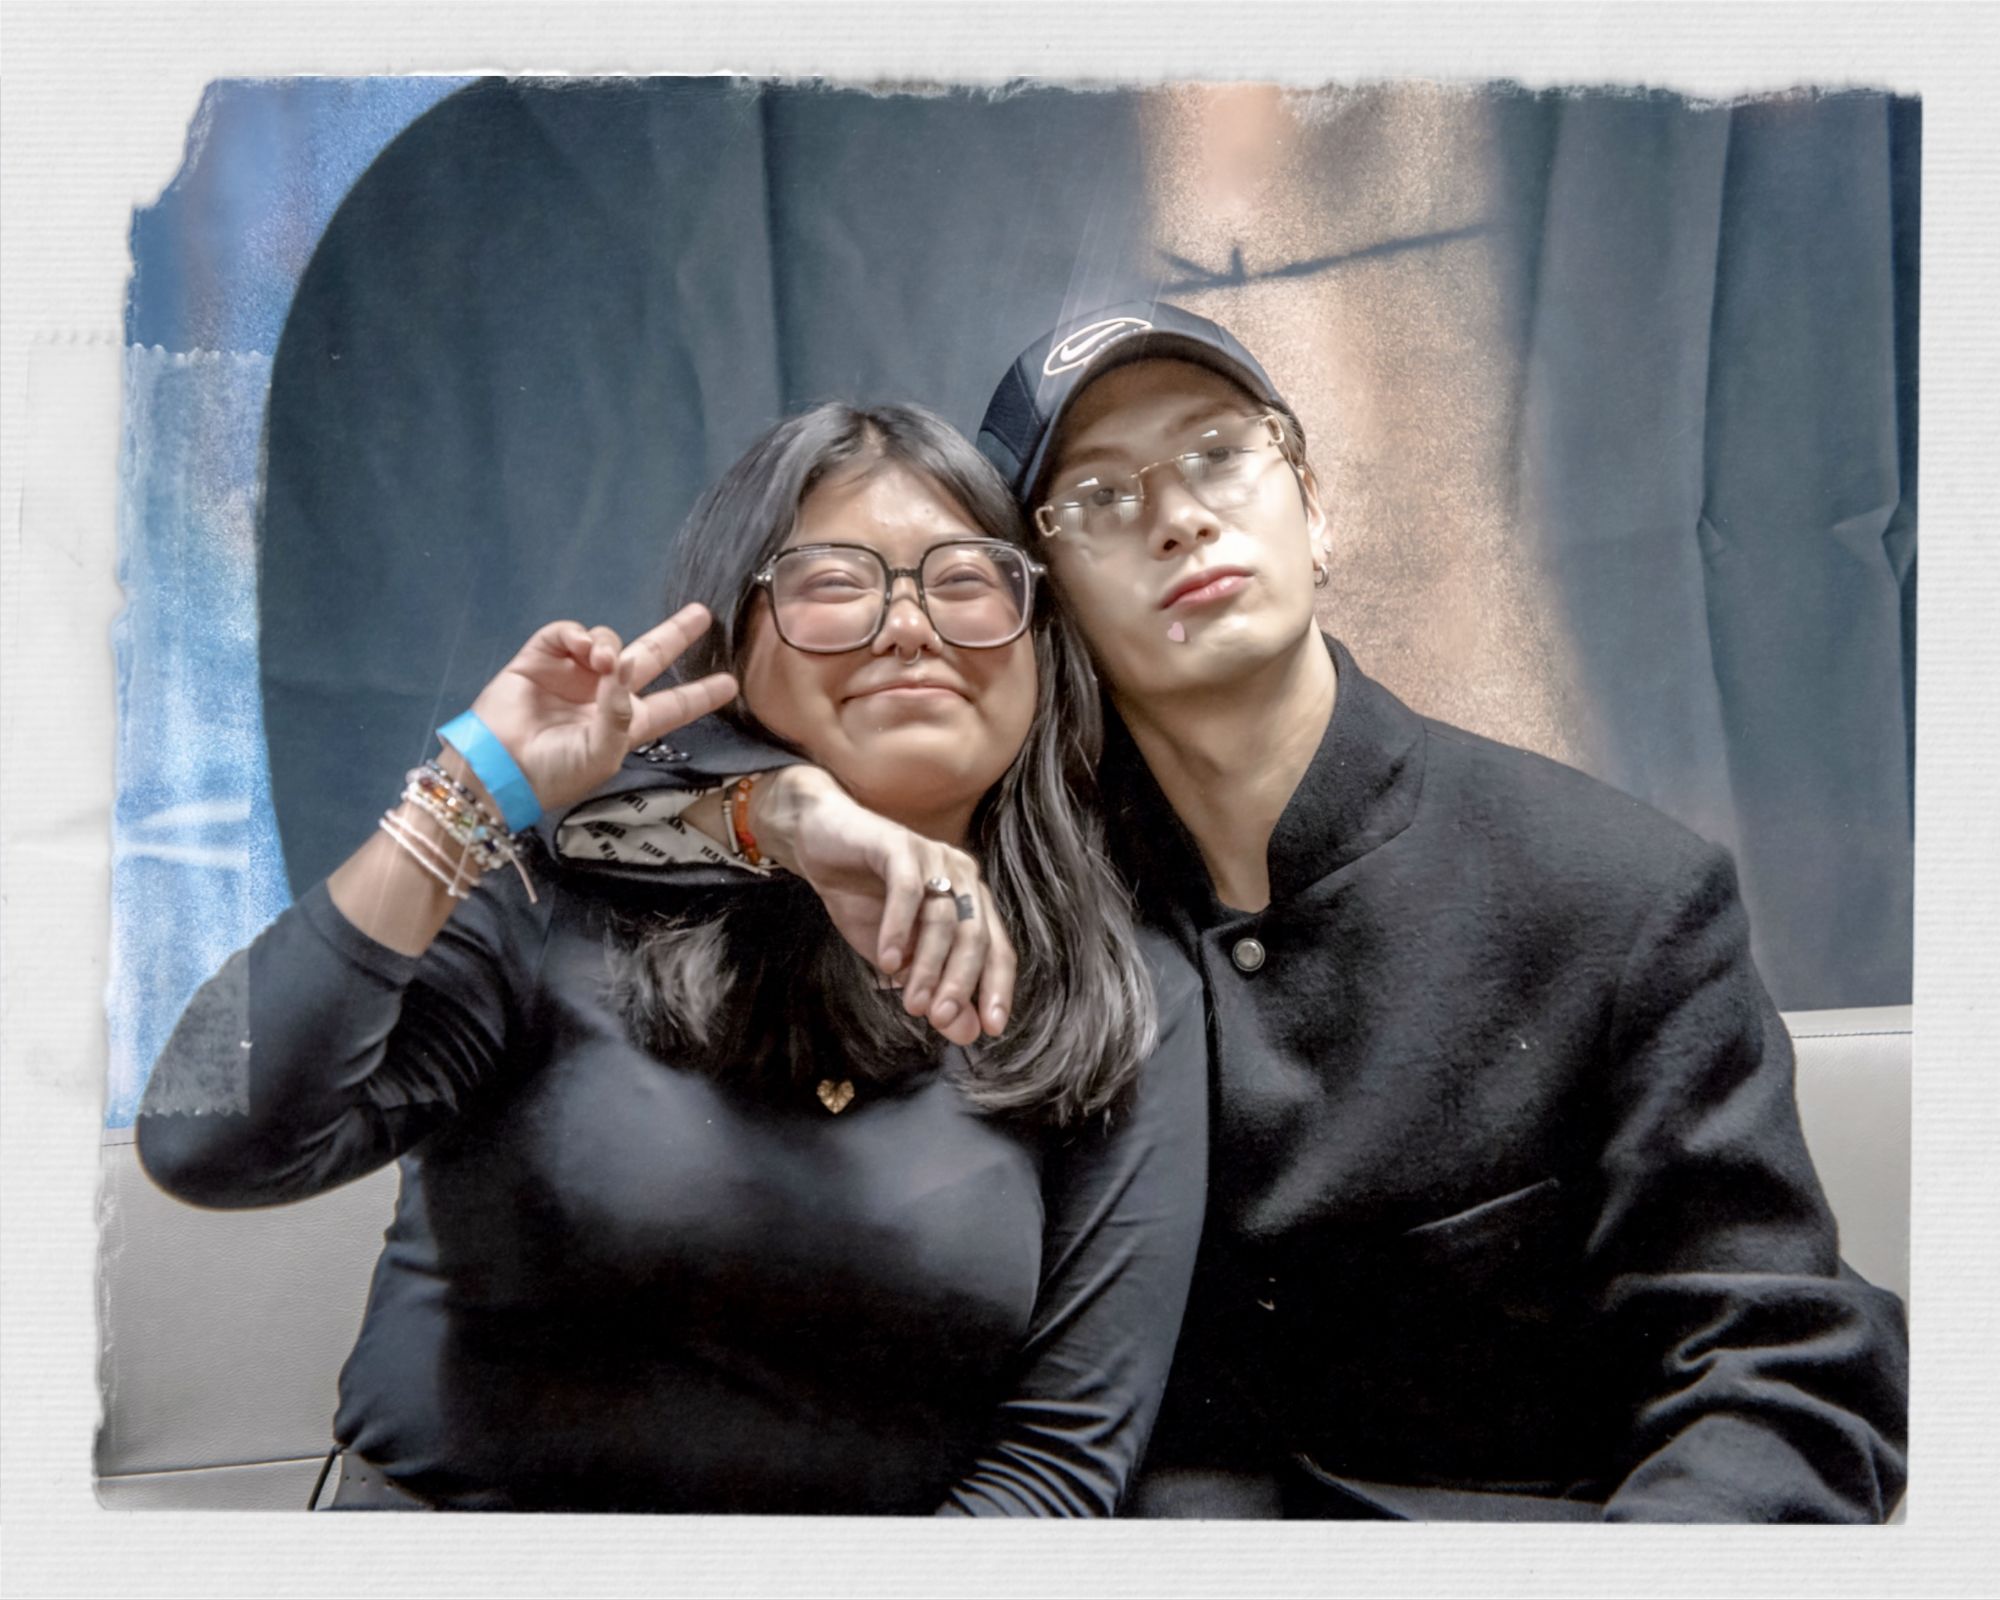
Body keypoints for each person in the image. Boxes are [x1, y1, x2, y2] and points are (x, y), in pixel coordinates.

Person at [643, 303, 1911, 1522]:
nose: (1179, 518)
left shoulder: (1613, 895)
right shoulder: (1011, 881)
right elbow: (611, 793)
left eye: (1218, 455)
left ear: (1313, 509)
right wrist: (774, 808)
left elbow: (1777, 1371)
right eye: (1099, 497)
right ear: (1039, 605)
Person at [134, 401, 1207, 1515]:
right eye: (835, 582)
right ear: (733, 648)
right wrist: (469, 796)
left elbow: (1056, 1466)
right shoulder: (563, 890)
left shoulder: (1119, 989)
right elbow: (206, 1138)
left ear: (1037, 639)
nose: (907, 625)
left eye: (965, 578)